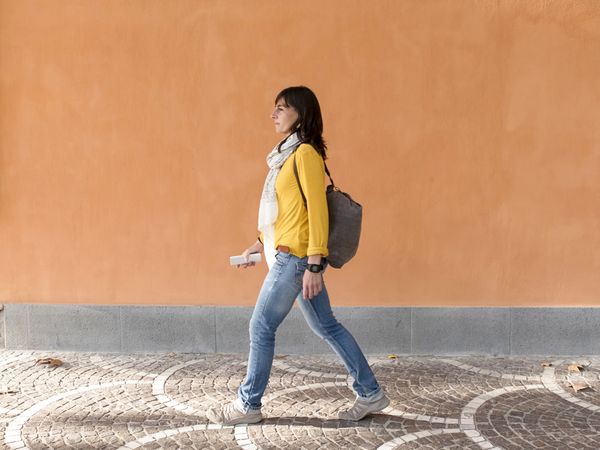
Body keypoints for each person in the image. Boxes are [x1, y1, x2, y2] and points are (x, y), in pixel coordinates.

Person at [207, 86, 388, 425]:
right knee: (327, 326)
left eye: (281, 108)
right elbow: (289, 212)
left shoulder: (304, 154)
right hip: (287, 254)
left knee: (261, 326)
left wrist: (315, 264)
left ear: (300, 114)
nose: (273, 114)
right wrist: (259, 244)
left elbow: (317, 212)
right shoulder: (284, 156)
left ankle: (248, 405)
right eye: (274, 108)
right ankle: (371, 392)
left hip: (297, 260)